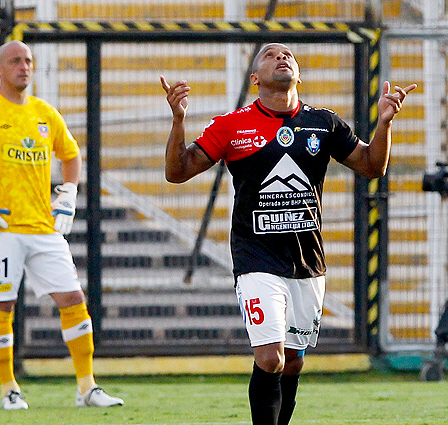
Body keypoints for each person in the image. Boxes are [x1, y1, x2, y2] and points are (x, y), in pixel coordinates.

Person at [161, 43, 416, 425]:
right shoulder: (231, 125)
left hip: (307, 260)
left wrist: (384, 124)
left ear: (299, 74)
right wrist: (179, 120)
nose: (281, 58)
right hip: (255, 258)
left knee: (293, 362)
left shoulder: (324, 123)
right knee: (270, 358)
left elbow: (371, 166)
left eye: (288, 55)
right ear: (254, 78)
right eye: (270, 55)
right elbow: (177, 172)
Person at [0, 40, 123, 411]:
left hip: (44, 228)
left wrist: (68, 195)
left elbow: (71, 155)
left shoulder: (44, 112)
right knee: (2, 306)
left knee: (73, 299)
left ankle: (87, 387)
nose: (24, 66)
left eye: (29, 60)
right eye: (15, 61)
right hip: (1, 229)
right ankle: (9, 389)